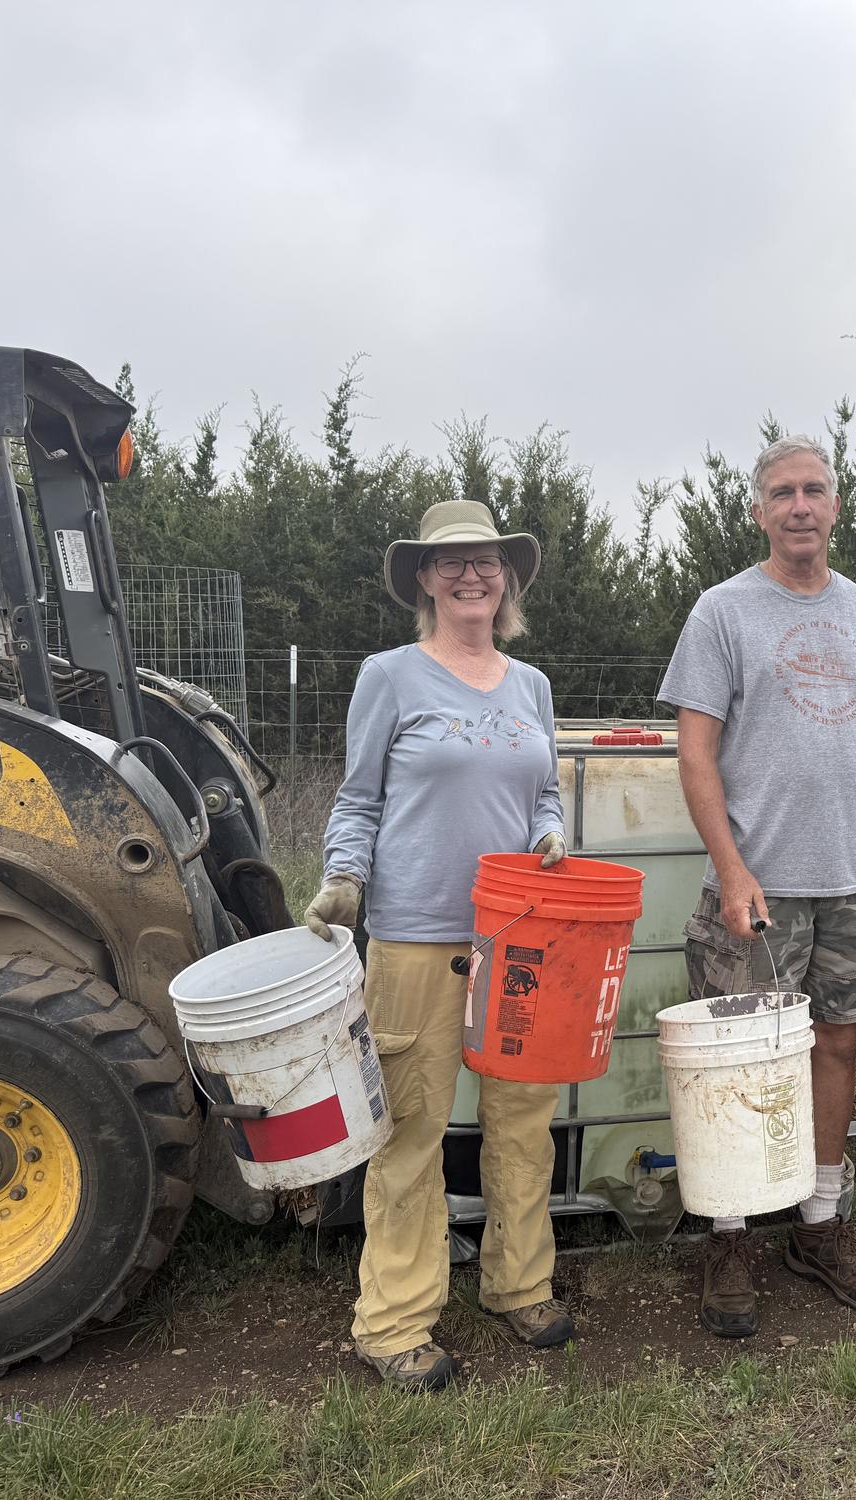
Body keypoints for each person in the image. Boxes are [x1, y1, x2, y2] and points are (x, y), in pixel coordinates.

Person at [658, 434, 856, 1341]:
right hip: (758, 886)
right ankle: (730, 1231)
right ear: (760, 511)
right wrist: (732, 868)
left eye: (815, 489)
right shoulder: (722, 612)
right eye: (783, 493)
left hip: (855, 877)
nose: (801, 506)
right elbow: (694, 752)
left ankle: (819, 1222)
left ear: (838, 505)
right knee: (739, 1061)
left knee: (836, 1047)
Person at [306, 499, 574, 1393]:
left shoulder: (530, 685)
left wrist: (551, 836)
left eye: (487, 562)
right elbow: (358, 800)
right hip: (419, 934)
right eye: (452, 562)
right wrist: (345, 880)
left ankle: (518, 1282)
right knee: (413, 1130)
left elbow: (541, 796)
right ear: (423, 578)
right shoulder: (391, 676)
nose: (472, 575)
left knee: (522, 1120)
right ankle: (392, 1322)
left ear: (509, 579)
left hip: (520, 934)